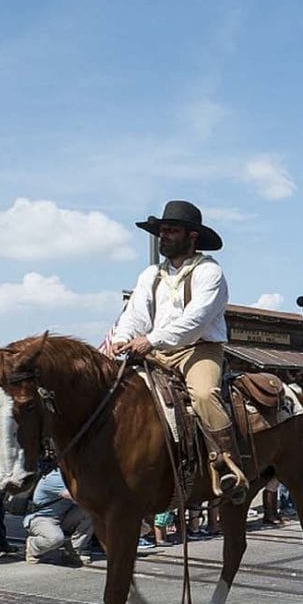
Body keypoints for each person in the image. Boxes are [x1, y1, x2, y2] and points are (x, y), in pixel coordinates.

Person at [110, 200, 247, 499]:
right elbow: (135, 314)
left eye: (172, 230)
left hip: (198, 350)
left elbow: (195, 321)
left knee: (204, 394)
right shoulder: (150, 275)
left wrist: (151, 340)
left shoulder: (209, 272)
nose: (164, 236)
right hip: (157, 353)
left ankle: (230, 467)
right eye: (162, 231)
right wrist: (123, 336)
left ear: (192, 236)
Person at [24, 468, 94, 566]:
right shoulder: (56, 478)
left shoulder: (74, 476)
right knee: (56, 539)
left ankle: (74, 550)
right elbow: (78, 497)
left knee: (91, 513)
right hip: (41, 518)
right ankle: (33, 546)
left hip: (62, 516)